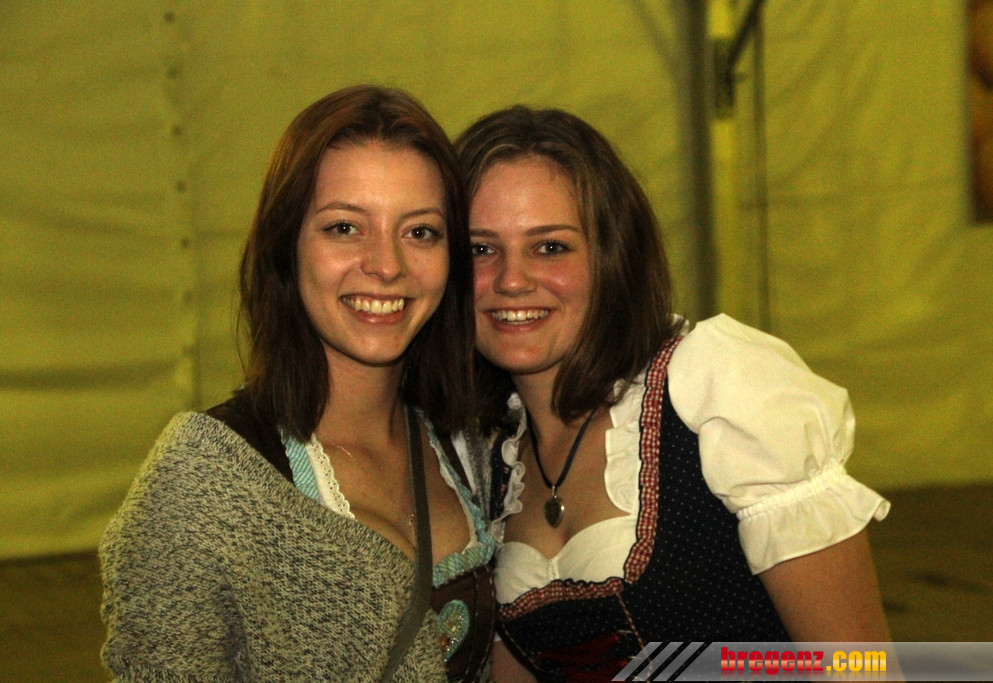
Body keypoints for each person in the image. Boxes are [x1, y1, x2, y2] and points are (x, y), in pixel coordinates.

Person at [455, 106, 893, 682]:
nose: (512, 280)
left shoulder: (716, 389)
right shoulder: (482, 460)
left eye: (550, 247)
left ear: (612, 256)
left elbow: (858, 669)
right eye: (480, 249)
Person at [100, 85, 497, 682]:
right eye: (345, 227)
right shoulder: (203, 480)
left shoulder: (470, 448)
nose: (386, 265)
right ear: (286, 245)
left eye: (420, 232)